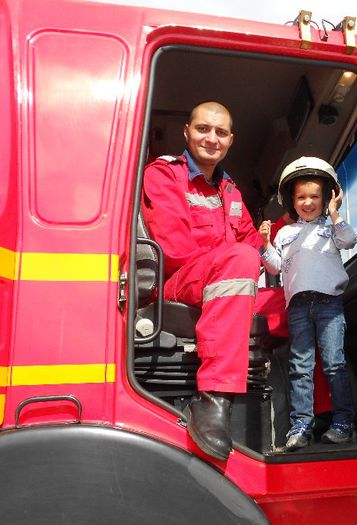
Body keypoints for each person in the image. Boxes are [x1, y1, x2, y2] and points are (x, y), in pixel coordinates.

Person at [142, 101, 267, 461]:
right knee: (239, 260)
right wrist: (235, 259)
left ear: (231, 140)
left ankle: (310, 417)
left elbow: (252, 242)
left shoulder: (229, 190)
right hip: (178, 282)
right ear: (187, 132)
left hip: (221, 279)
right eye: (203, 129)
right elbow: (175, 249)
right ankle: (213, 395)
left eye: (221, 132)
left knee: (298, 302)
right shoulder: (165, 175)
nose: (211, 138)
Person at [259, 156, 357, 450]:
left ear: (327, 197)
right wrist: (265, 243)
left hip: (330, 304)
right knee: (300, 367)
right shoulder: (286, 233)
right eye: (301, 196)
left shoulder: (332, 229)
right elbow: (275, 266)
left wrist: (334, 212)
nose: (308, 202)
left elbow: (350, 240)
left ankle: (344, 423)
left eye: (315, 196)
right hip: (298, 307)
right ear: (292, 200)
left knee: (333, 364)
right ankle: (301, 425)